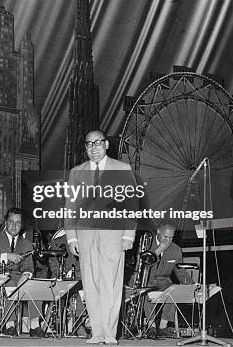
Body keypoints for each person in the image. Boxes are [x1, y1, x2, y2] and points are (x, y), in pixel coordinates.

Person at [64, 130, 136, 345]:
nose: (93, 148)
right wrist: (72, 238)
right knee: (90, 283)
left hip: (113, 236)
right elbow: (70, 207)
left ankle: (109, 334)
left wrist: (128, 234)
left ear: (106, 145)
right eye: (88, 144)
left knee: (111, 285)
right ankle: (96, 332)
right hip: (85, 237)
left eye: (97, 143)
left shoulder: (122, 169)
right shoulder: (77, 172)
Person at [0, 207, 44, 338]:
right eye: (11, 221)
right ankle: (9, 324)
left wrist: (26, 275)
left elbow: (29, 267)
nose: (14, 225)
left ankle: (34, 325)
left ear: (21, 225)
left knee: (34, 285)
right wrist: (6, 256)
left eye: (18, 223)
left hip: (19, 278)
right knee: (10, 283)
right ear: (5, 222)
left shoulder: (27, 244)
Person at [141, 222, 193, 337]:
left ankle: (163, 326)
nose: (168, 241)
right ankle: (151, 326)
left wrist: (191, 285)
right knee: (146, 290)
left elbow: (180, 271)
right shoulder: (145, 244)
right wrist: (157, 251)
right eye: (165, 237)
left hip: (163, 281)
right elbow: (141, 267)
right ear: (158, 231)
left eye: (171, 238)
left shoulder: (176, 250)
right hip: (145, 278)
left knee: (173, 290)